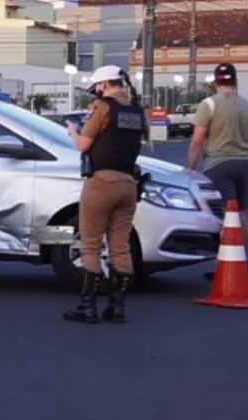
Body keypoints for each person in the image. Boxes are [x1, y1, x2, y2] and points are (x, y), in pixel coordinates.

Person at [64, 65, 147, 324]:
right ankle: (117, 307)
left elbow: (85, 145)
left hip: (101, 182)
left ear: (102, 85)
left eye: (96, 89)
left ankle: (87, 308)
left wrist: (72, 131)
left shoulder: (104, 108)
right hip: (128, 184)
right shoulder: (137, 112)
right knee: (120, 247)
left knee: (90, 244)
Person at [185, 63, 248, 282]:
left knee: (225, 216)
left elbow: (198, 140)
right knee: (242, 213)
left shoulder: (208, 104)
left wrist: (189, 169)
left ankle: (228, 266)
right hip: (245, 163)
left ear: (215, 82)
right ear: (235, 81)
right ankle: (243, 261)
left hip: (219, 164)